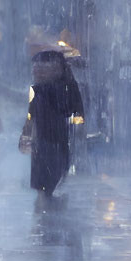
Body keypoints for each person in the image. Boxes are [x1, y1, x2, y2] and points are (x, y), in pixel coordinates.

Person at [21, 48, 84, 195]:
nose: (35, 73)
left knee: (47, 190)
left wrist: (77, 128)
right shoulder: (36, 90)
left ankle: (50, 211)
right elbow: (31, 115)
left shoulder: (67, 88)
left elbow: (79, 115)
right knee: (45, 191)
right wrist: (25, 135)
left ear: (56, 70)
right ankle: (50, 211)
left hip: (56, 145)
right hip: (44, 145)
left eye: (40, 69)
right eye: (35, 70)